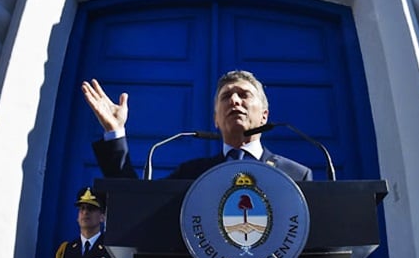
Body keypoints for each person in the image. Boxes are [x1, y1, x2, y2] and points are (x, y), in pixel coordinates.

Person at [82, 70, 311, 181]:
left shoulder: (296, 175)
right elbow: (134, 205)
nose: (234, 100)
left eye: (244, 95)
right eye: (226, 96)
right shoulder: (191, 174)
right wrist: (115, 132)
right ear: (216, 121)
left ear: (264, 116)